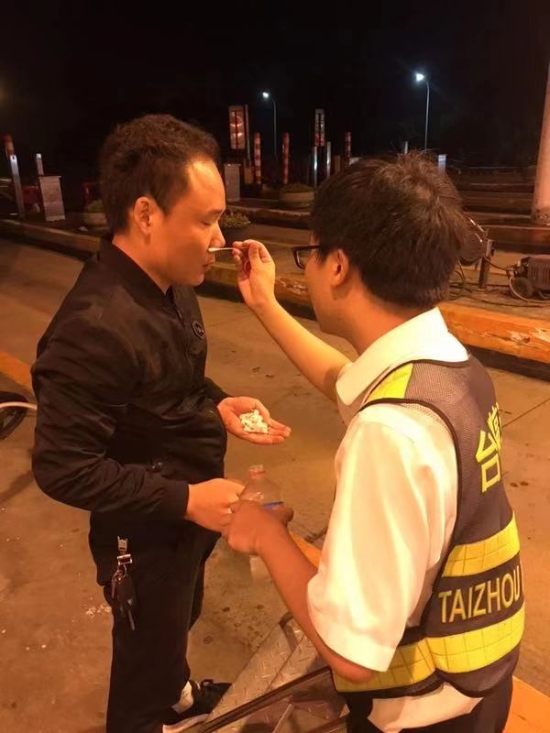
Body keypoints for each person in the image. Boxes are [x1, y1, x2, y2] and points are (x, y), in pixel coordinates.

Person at [225, 154, 524, 733]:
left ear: (338, 265)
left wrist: (265, 534)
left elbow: (351, 653)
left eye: (310, 253)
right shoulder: (449, 368)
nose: (309, 267)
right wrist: (265, 304)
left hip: (423, 716)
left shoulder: (389, 433)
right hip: (480, 685)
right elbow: (345, 380)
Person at [31, 114, 290, 733]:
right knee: (143, 660)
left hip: (184, 518)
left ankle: (176, 696)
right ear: (146, 214)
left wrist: (217, 403)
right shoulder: (93, 328)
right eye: (206, 220)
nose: (219, 238)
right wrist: (186, 500)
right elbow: (62, 467)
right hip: (143, 535)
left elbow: (169, 381)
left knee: (176, 624)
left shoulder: (172, 283)